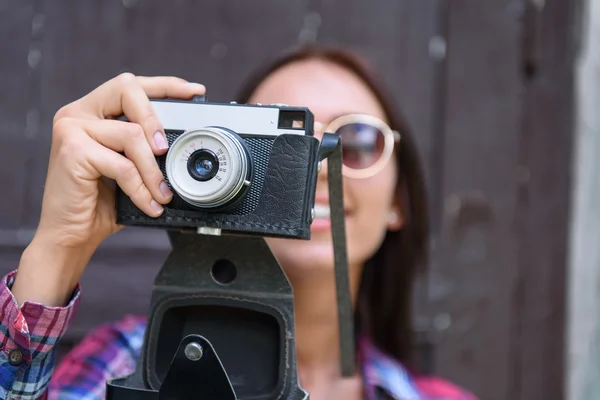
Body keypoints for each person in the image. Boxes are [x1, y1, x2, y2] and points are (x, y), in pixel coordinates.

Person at [0, 45, 477, 400]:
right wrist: (57, 250)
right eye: (290, 142)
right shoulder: (125, 358)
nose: (318, 168)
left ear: (399, 202)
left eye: (352, 142)